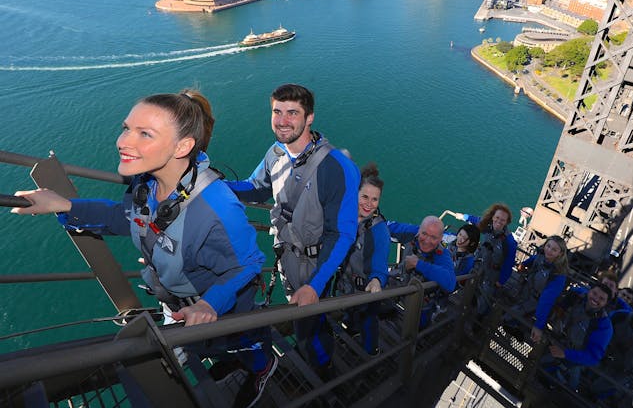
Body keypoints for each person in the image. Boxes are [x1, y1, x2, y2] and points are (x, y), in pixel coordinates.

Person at [12, 90, 276, 408]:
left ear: (182, 146)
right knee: (186, 352)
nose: (123, 141)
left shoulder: (218, 206)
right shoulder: (147, 184)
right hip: (173, 299)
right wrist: (66, 205)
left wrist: (209, 304)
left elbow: (247, 264)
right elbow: (126, 217)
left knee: (243, 344)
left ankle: (262, 367)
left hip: (216, 308)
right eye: (127, 128)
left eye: (144, 133)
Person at [226, 83, 359, 375]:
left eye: (292, 113)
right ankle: (309, 350)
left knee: (312, 320)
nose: (283, 120)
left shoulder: (336, 167)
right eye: (277, 111)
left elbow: (343, 233)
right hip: (286, 257)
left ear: (309, 117)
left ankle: (325, 371)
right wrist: (216, 187)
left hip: (315, 265)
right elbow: (257, 188)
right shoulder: (275, 153)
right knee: (300, 318)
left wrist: (316, 284)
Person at [335, 163, 390, 355]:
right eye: (365, 197)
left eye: (375, 199)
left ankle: (371, 354)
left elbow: (381, 264)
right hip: (345, 285)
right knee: (348, 318)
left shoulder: (379, 229)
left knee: (368, 323)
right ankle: (350, 334)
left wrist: (377, 279)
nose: (369, 204)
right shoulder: (345, 217)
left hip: (366, 290)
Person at [540, 282, 614, 391]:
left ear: (606, 304)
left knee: (563, 390)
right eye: (594, 293)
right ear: (589, 291)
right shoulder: (576, 297)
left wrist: (565, 354)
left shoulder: (604, 326)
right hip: (553, 344)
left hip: (573, 361)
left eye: (602, 299)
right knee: (537, 368)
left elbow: (594, 357)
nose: (596, 299)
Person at [387, 216, 456, 328]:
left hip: (421, 299)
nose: (427, 241)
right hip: (400, 283)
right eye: (424, 234)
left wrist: (418, 264)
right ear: (419, 230)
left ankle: (416, 339)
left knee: (419, 326)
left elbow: (450, 283)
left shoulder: (442, 255)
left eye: (433, 237)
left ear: (441, 239)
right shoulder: (411, 232)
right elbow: (384, 227)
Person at [503, 235, 569, 342]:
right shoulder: (541, 257)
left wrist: (539, 325)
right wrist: (523, 264)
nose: (549, 250)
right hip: (524, 292)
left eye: (554, 250)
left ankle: (520, 333)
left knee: (507, 318)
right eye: (548, 246)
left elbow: (547, 300)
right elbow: (532, 260)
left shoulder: (558, 275)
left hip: (534, 302)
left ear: (560, 254)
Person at [467, 203, 517, 319]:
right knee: (474, 287)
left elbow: (508, 264)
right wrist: (465, 216)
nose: (499, 221)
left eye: (503, 220)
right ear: (493, 217)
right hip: (481, 266)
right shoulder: (488, 227)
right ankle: (471, 306)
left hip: (493, 274)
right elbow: (477, 220)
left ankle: (478, 319)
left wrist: (501, 281)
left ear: (507, 222)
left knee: (486, 296)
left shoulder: (509, 242)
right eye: (497, 217)